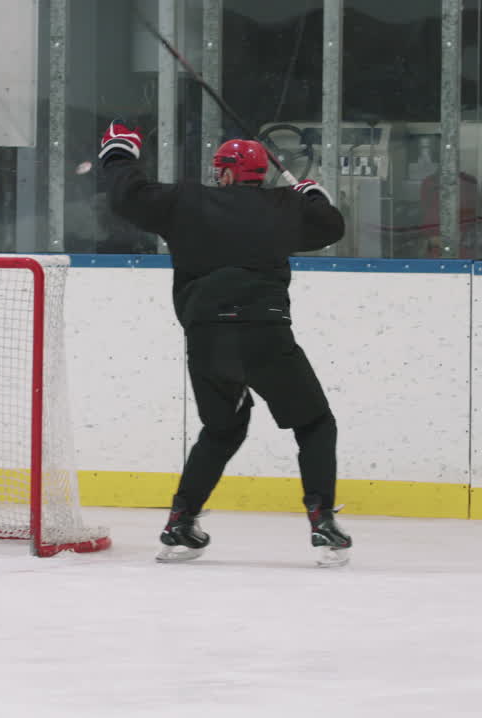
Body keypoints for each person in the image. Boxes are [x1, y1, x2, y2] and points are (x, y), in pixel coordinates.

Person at [97, 122, 352, 566]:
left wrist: (119, 153)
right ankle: (322, 521)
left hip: (208, 337)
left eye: (219, 169)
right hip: (265, 334)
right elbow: (331, 227)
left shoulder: (186, 201)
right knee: (314, 422)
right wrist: (312, 195)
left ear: (227, 172)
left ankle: (181, 523)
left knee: (222, 428)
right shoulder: (282, 206)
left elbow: (127, 197)